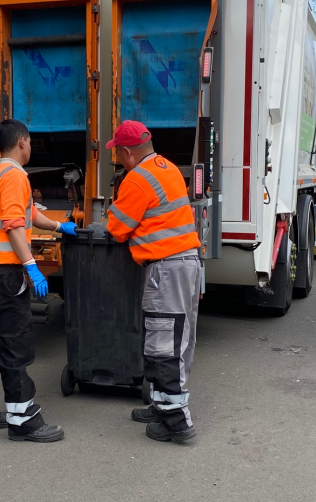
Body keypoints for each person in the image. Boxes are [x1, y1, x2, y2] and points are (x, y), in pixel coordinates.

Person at [0, 119, 78, 443]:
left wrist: (60, 227)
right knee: (14, 344)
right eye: (29, 142)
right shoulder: (14, 175)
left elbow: (28, 215)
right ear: (23, 142)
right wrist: (32, 267)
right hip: (4, 274)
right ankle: (23, 418)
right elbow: (15, 226)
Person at [105, 120, 202, 442]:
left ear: (128, 151)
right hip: (187, 264)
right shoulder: (168, 168)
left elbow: (117, 228)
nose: (116, 158)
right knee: (179, 340)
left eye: (117, 152)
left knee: (163, 345)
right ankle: (162, 406)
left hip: (166, 269)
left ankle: (177, 422)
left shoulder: (137, 179)